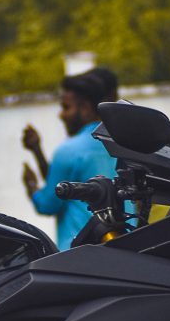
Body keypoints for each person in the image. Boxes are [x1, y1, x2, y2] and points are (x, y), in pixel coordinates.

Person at [21, 68, 120, 249]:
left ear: (86, 108)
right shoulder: (123, 142)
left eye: (66, 107)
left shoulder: (69, 150)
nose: (61, 115)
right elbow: (64, 186)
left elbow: (48, 204)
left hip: (78, 255)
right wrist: (37, 150)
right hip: (122, 248)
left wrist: (32, 187)